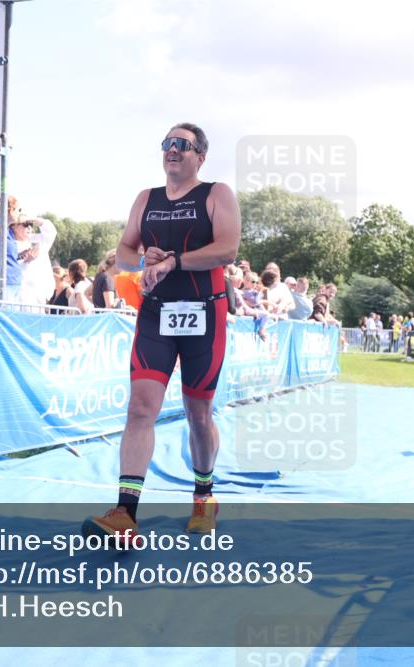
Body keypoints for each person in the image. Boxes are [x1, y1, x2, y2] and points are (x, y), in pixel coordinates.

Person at [83, 122, 240, 542]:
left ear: (199, 156)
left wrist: (174, 261)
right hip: (156, 315)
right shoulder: (146, 199)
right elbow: (123, 252)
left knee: (198, 415)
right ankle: (125, 512)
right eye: (167, 143)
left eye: (182, 145)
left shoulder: (216, 194)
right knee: (140, 410)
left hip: (204, 316)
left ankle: (204, 494)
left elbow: (227, 249)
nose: (172, 150)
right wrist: (142, 258)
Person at [13, 212, 57, 307]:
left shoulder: (37, 240)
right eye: (25, 224)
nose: (29, 227)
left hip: (39, 296)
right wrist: (26, 261)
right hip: (21, 295)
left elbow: (51, 231)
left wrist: (31, 218)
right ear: (14, 227)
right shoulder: (9, 243)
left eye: (31, 224)